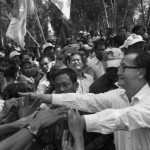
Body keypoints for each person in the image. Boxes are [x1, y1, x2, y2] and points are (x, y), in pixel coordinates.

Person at [20, 52, 150, 150]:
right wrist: (44, 97)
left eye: (123, 67)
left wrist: (80, 123)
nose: (118, 71)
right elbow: (87, 100)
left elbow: (120, 118)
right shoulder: (118, 95)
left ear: (141, 73)